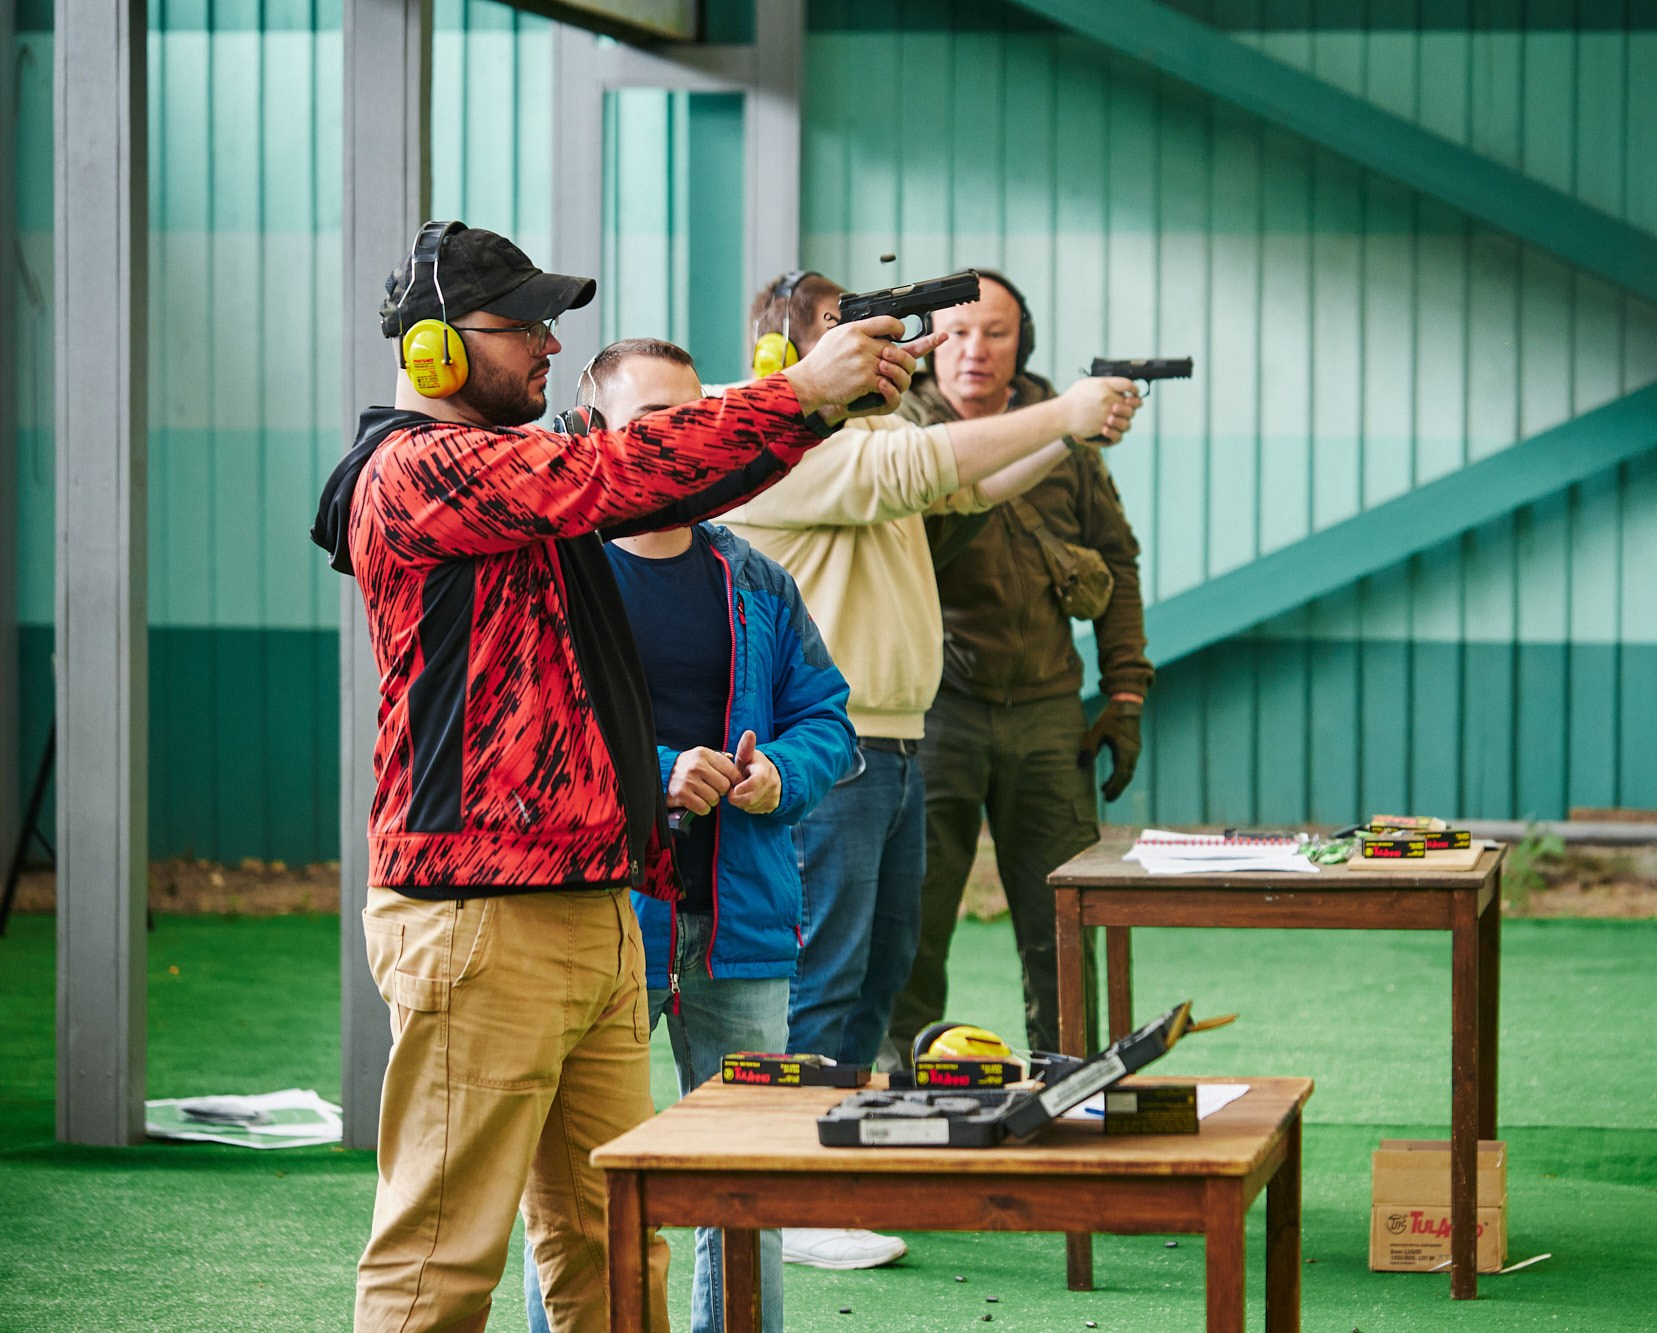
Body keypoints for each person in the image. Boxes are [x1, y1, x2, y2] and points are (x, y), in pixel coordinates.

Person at [311, 221, 928, 1333]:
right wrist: (798, 397)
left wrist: (822, 400)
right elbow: (621, 466)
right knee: (439, 1260)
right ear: (435, 351)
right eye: (524, 325)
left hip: (593, 906)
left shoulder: (521, 480)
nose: (550, 343)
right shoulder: (418, 469)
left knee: (611, 1247)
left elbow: (646, 482)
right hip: (481, 919)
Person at [719, 269, 1141, 1271]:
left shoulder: (860, 440)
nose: (895, 351)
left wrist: (1065, 430)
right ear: (787, 358)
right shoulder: (777, 447)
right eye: (855, 335)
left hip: (892, 737)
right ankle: (796, 1194)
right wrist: (1064, 409)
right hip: (835, 748)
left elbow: (960, 479)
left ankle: (841, 1174)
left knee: (877, 973)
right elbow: (926, 467)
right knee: (827, 978)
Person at [886, 270, 1154, 1063]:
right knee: (915, 919)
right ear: (930, 343)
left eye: (995, 332)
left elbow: (1118, 562)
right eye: (958, 331)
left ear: (1021, 344)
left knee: (1062, 924)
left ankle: (1072, 1080)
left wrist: (1128, 689)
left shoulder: (1065, 437)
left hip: (1045, 710)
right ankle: (903, 1087)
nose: (974, 349)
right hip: (935, 709)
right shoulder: (896, 435)